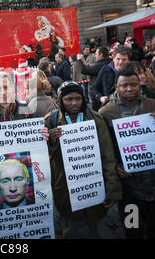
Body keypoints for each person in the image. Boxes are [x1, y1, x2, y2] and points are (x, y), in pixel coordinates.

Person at [40, 82, 122, 239]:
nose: (74, 103)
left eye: (78, 98)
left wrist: (112, 189)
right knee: (69, 228)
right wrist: (51, 141)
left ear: (83, 99)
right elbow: (42, 158)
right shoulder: (51, 121)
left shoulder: (96, 119)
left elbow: (108, 156)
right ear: (60, 100)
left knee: (97, 227)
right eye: (68, 99)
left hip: (94, 185)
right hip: (64, 187)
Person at [98, 69, 155, 239]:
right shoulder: (106, 112)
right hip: (128, 185)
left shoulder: (153, 105)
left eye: (133, 84)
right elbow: (105, 148)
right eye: (124, 85)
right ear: (116, 87)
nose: (129, 89)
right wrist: (116, 166)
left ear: (139, 85)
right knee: (133, 228)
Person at [76, 46, 112, 111]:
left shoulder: (101, 65)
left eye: (96, 54)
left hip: (100, 95)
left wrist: (79, 60)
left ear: (101, 55)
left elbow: (84, 70)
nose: (95, 56)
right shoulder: (108, 62)